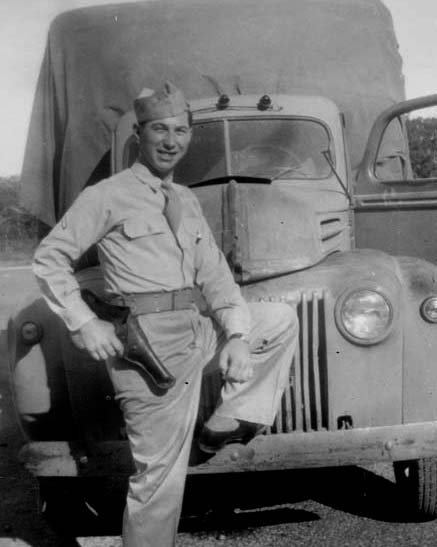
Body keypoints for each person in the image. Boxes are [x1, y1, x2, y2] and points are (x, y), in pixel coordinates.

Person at [33, 81, 298, 547]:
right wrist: (84, 321)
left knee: (277, 320)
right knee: (159, 481)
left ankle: (224, 422)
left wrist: (236, 336)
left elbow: (215, 277)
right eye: (160, 129)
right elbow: (49, 258)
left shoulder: (187, 201)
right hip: (146, 349)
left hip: (198, 331)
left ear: (190, 137)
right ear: (140, 134)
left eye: (180, 130)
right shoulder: (107, 195)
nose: (171, 140)